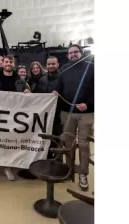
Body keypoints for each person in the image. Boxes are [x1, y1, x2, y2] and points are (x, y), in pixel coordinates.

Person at [0, 55, 30, 181]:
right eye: (6, 62)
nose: (8, 64)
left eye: (11, 62)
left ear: (13, 64)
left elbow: (28, 90)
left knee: (9, 142)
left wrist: (27, 91)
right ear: (2, 64)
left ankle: (7, 166)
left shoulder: (20, 80)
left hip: (14, 117)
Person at [55, 44, 94, 190]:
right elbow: (59, 89)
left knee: (84, 145)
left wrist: (89, 104)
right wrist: (55, 93)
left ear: (81, 53)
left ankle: (83, 174)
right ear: (67, 55)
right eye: (70, 53)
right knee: (68, 143)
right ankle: (69, 170)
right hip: (68, 113)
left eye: (75, 52)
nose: (73, 55)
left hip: (86, 114)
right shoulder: (64, 70)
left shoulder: (92, 67)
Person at [36, 56, 62, 158]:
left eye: (53, 64)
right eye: (49, 64)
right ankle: (46, 160)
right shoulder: (42, 80)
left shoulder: (62, 77)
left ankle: (58, 163)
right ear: (46, 65)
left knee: (57, 139)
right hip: (45, 115)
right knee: (45, 139)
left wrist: (59, 95)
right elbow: (38, 95)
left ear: (57, 64)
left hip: (57, 115)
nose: (51, 66)